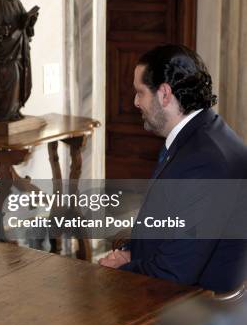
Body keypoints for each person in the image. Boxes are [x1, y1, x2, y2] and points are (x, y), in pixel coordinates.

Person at [99, 44, 247, 293]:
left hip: (199, 307)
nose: (136, 102)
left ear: (164, 94)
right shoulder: (203, 133)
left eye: (140, 92)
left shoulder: (205, 162)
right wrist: (130, 253)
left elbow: (176, 271)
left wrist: (120, 272)